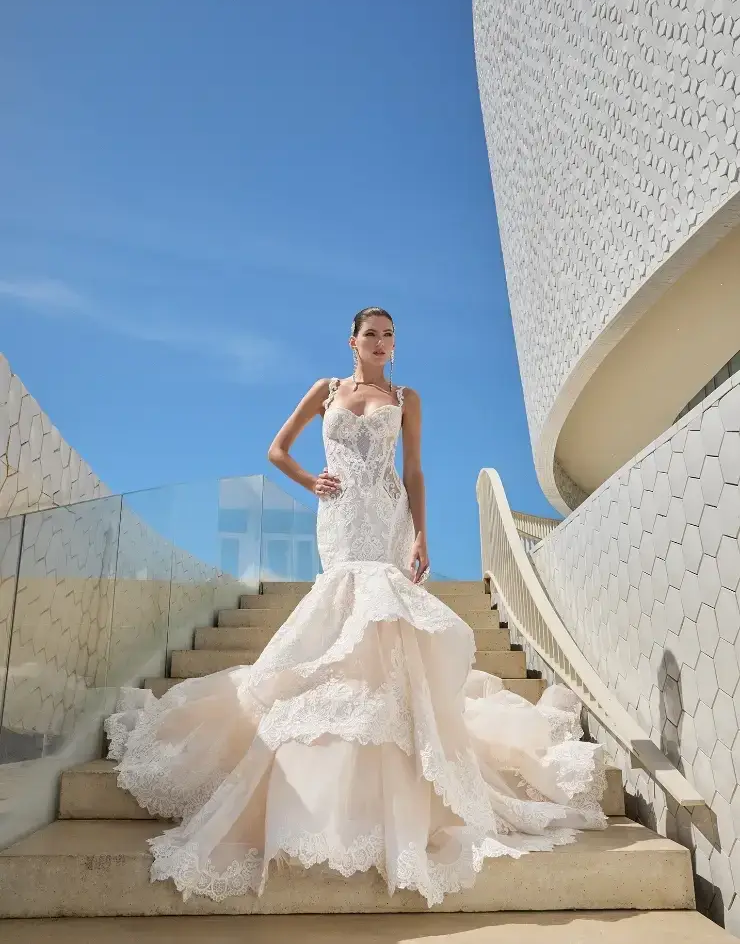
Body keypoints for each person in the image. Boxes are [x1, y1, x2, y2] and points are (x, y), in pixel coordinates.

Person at [105, 306, 607, 908]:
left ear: (394, 346)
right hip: (342, 520)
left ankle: (393, 760)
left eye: (389, 335)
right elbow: (276, 449)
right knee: (341, 614)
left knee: (383, 628)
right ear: (352, 341)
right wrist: (308, 480)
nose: (381, 341)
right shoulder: (327, 390)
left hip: (388, 518)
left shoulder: (407, 396)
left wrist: (421, 535)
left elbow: (414, 470)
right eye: (371, 333)